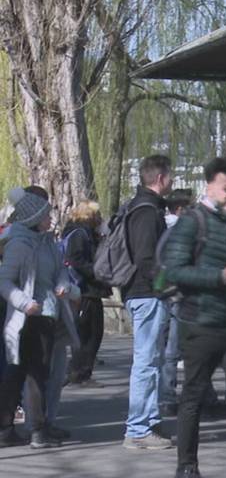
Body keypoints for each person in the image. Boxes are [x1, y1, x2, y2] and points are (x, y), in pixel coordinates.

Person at [163, 157, 226, 478]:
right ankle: (187, 466)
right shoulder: (192, 221)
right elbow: (173, 270)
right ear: (209, 186)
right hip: (200, 323)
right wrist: (218, 277)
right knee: (193, 396)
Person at [0, 187, 74, 448]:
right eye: (45, 215)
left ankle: (17, 429)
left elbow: (60, 271)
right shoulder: (18, 246)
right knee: (29, 374)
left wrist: (63, 284)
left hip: (48, 315)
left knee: (31, 373)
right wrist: (23, 302)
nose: (50, 218)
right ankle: (36, 430)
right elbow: (4, 281)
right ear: (33, 219)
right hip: (26, 319)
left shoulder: (49, 243)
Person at [122, 155, 174, 450]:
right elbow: (145, 258)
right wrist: (164, 285)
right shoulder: (146, 211)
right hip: (146, 294)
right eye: (171, 175)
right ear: (160, 178)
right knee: (146, 362)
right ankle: (138, 428)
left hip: (144, 293)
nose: (173, 180)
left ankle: (147, 424)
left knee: (150, 361)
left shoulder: (145, 207)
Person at [64, 200, 109, 388]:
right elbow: (76, 260)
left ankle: (79, 371)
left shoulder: (84, 233)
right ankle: (80, 372)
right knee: (88, 333)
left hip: (89, 289)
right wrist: (96, 272)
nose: (99, 218)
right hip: (85, 289)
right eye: (97, 215)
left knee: (91, 332)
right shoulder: (80, 234)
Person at [158, 188, 194, 418]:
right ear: (180, 209)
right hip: (180, 293)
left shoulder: (161, 229)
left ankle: (166, 396)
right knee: (178, 347)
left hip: (165, 293)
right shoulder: (180, 230)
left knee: (166, 348)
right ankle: (171, 396)